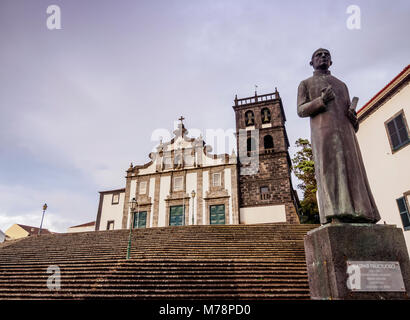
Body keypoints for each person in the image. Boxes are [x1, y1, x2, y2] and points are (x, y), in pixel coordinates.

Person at [297, 48, 380, 224]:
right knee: (329, 170)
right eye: (318, 55)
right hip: (323, 133)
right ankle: (335, 211)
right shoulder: (305, 83)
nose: (323, 56)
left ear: (331, 62)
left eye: (326, 54)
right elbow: (301, 110)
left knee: (353, 170)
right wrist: (321, 101)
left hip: (346, 133)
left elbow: (352, 116)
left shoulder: (342, 85)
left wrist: (353, 119)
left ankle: (361, 211)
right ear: (311, 62)